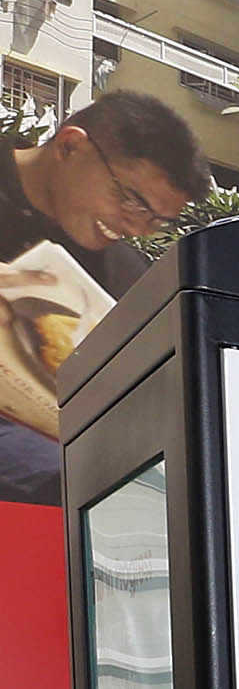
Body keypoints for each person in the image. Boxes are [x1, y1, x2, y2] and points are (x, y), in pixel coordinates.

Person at [0, 91, 209, 500]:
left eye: (158, 220)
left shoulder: (126, 277)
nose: (137, 227)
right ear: (70, 146)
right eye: (132, 200)